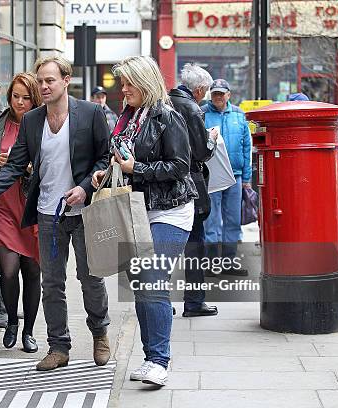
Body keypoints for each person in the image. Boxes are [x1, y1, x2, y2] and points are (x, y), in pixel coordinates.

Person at [0, 56, 111, 372]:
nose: (44, 86)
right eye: (40, 81)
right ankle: (59, 347)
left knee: (89, 277)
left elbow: (105, 158)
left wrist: (85, 187)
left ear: (65, 80)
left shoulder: (90, 113)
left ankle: (100, 332)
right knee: (52, 283)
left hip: (84, 212)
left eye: (50, 80)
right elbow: (16, 164)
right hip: (48, 215)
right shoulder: (32, 121)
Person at [93, 56, 198, 386]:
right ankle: (153, 351)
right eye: (121, 84)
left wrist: (134, 170)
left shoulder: (168, 117)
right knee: (140, 284)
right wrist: (106, 174)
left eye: (128, 83)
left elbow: (180, 166)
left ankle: (158, 360)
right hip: (135, 209)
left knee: (151, 279)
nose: (122, 90)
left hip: (170, 210)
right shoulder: (127, 116)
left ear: (145, 82)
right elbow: (120, 159)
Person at [0, 72, 42, 353]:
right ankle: (11, 323)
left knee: (32, 270)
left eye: (26, 97)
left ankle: (28, 330)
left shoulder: (44, 124)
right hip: (3, 204)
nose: (20, 102)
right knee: (8, 270)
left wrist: (31, 169)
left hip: (32, 206)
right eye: (15, 96)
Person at [169, 63, 219, 317]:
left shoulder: (165, 101)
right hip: (190, 184)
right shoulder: (192, 108)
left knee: (163, 245)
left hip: (162, 184)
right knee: (195, 244)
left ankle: (161, 302)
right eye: (207, 90)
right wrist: (211, 138)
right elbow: (201, 152)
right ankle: (194, 301)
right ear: (199, 90)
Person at [202, 79, 252, 276]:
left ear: (229, 95)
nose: (218, 97)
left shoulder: (239, 115)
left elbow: (247, 147)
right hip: (211, 175)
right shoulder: (202, 113)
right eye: (215, 94)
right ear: (210, 95)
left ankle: (229, 262)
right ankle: (213, 264)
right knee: (211, 220)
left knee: (233, 220)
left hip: (236, 176)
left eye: (221, 94)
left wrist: (247, 178)